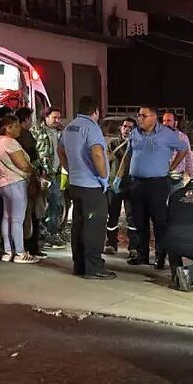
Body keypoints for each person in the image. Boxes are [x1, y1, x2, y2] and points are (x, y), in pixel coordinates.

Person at [115, 104, 188, 269]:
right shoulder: (135, 133)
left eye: (144, 115)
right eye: (139, 115)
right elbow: (128, 155)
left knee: (159, 222)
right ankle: (142, 255)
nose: (139, 118)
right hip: (137, 183)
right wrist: (119, 177)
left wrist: (171, 167)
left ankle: (160, 257)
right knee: (140, 221)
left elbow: (183, 149)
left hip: (157, 184)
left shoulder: (167, 135)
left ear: (154, 117)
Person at [59, 96, 114, 280]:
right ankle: (94, 268)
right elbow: (98, 154)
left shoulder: (68, 127)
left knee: (79, 225)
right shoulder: (92, 127)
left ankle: (80, 265)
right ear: (95, 111)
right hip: (92, 187)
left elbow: (60, 150)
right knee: (94, 228)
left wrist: (69, 167)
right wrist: (104, 177)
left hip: (75, 184)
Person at [0, 115, 40, 264]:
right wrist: (34, 171)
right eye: (16, 126)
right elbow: (22, 165)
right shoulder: (10, 142)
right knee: (17, 220)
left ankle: (7, 252)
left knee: (7, 218)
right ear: (8, 128)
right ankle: (20, 253)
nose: (19, 129)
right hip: (16, 182)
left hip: (3, 184)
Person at [33, 106, 66, 249]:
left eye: (59, 118)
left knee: (56, 204)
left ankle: (52, 232)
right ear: (46, 117)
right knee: (41, 204)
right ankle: (42, 233)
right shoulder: (36, 131)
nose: (57, 120)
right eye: (54, 117)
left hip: (56, 173)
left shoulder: (60, 133)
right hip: (43, 174)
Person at [15, 107, 45, 258]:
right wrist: (39, 172)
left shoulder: (13, 136)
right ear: (25, 120)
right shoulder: (25, 136)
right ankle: (31, 247)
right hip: (29, 180)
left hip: (21, 180)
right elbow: (33, 159)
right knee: (33, 215)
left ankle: (25, 246)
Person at [105, 117, 138, 256]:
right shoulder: (113, 143)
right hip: (114, 185)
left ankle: (133, 247)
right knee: (113, 216)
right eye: (125, 126)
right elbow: (106, 160)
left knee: (132, 218)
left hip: (131, 185)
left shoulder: (137, 145)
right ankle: (111, 243)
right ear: (120, 128)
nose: (127, 129)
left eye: (130, 127)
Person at [162, 111, 193, 194]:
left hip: (176, 180)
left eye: (169, 120)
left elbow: (188, 158)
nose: (165, 123)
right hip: (161, 180)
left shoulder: (182, 138)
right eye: (164, 120)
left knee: (175, 203)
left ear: (175, 123)